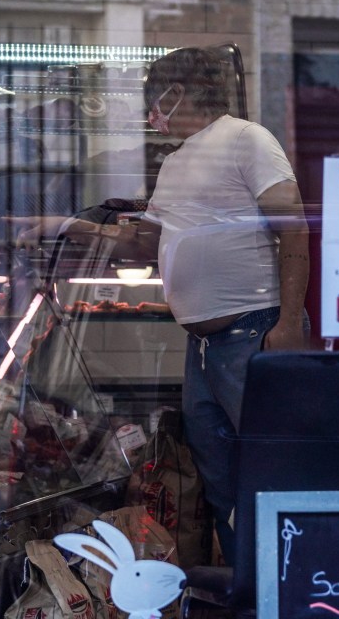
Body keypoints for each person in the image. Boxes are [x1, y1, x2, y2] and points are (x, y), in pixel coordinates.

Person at [133, 47, 310, 563]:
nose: (151, 112)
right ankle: (245, 586)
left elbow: (293, 226)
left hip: (255, 332)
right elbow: (146, 241)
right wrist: (65, 226)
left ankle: (287, 583)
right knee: (221, 479)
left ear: (177, 92)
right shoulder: (175, 161)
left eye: (153, 98)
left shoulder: (245, 138)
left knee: (274, 466)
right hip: (204, 347)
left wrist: (287, 322)